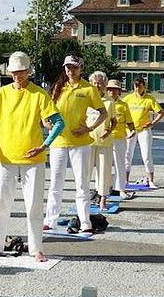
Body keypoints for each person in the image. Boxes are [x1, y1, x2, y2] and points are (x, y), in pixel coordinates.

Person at [0, 51, 64, 262]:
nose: (18, 76)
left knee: (34, 206)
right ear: (10, 72)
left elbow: (58, 123)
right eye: (14, 72)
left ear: (28, 71)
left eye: (22, 72)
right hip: (6, 159)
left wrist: (44, 145)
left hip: (33, 160)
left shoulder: (39, 94)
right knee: (1, 205)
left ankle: (36, 248)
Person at [43, 55, 106, 232]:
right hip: (59, 141)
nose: (71, 71)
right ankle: (50, 220)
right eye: (68, 67)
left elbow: (103, 113)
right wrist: (46, 122)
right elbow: (46, 109)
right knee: (55, 183)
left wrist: (89, 128)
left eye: (74, 67)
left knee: (81, 184)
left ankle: (85, 221)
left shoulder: (88, 88)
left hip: (80, 142)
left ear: (81, 68)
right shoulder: (58, 87)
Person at [124, 77, 164, 188]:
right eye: (135, 86)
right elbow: (122, 111)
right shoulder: (128, 98)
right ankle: (125, 180)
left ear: (143, 86)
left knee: (146, 155)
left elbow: (161, 113)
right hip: (130, 130)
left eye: (140, 86)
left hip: (144, 130)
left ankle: (151, 180)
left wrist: (152, 123)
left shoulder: (149, 99)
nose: (137, 88)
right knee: (127, 155)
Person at [87, 71, 117, 213]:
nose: (97, 85)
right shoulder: (87, 100)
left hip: (104, 142)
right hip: (87, 141)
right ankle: (85, 200)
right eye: (94, 82)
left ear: (105, 85)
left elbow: (114, 121)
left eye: (99, 82)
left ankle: (103, 200)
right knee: (85, 172)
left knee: (104, 172)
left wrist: (109, 131)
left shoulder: (110, 102)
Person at [105, 79, 136, 200]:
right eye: (110, 89)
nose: (112, 91)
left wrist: (132, 131)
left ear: (119, 91)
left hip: (119, 138)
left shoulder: (123, 105)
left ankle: (121, 189)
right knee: (105, 165)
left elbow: (130, 122)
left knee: (120, 164)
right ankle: (104, 189)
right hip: (104, 138)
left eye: (114, 89)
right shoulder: (102, 103)